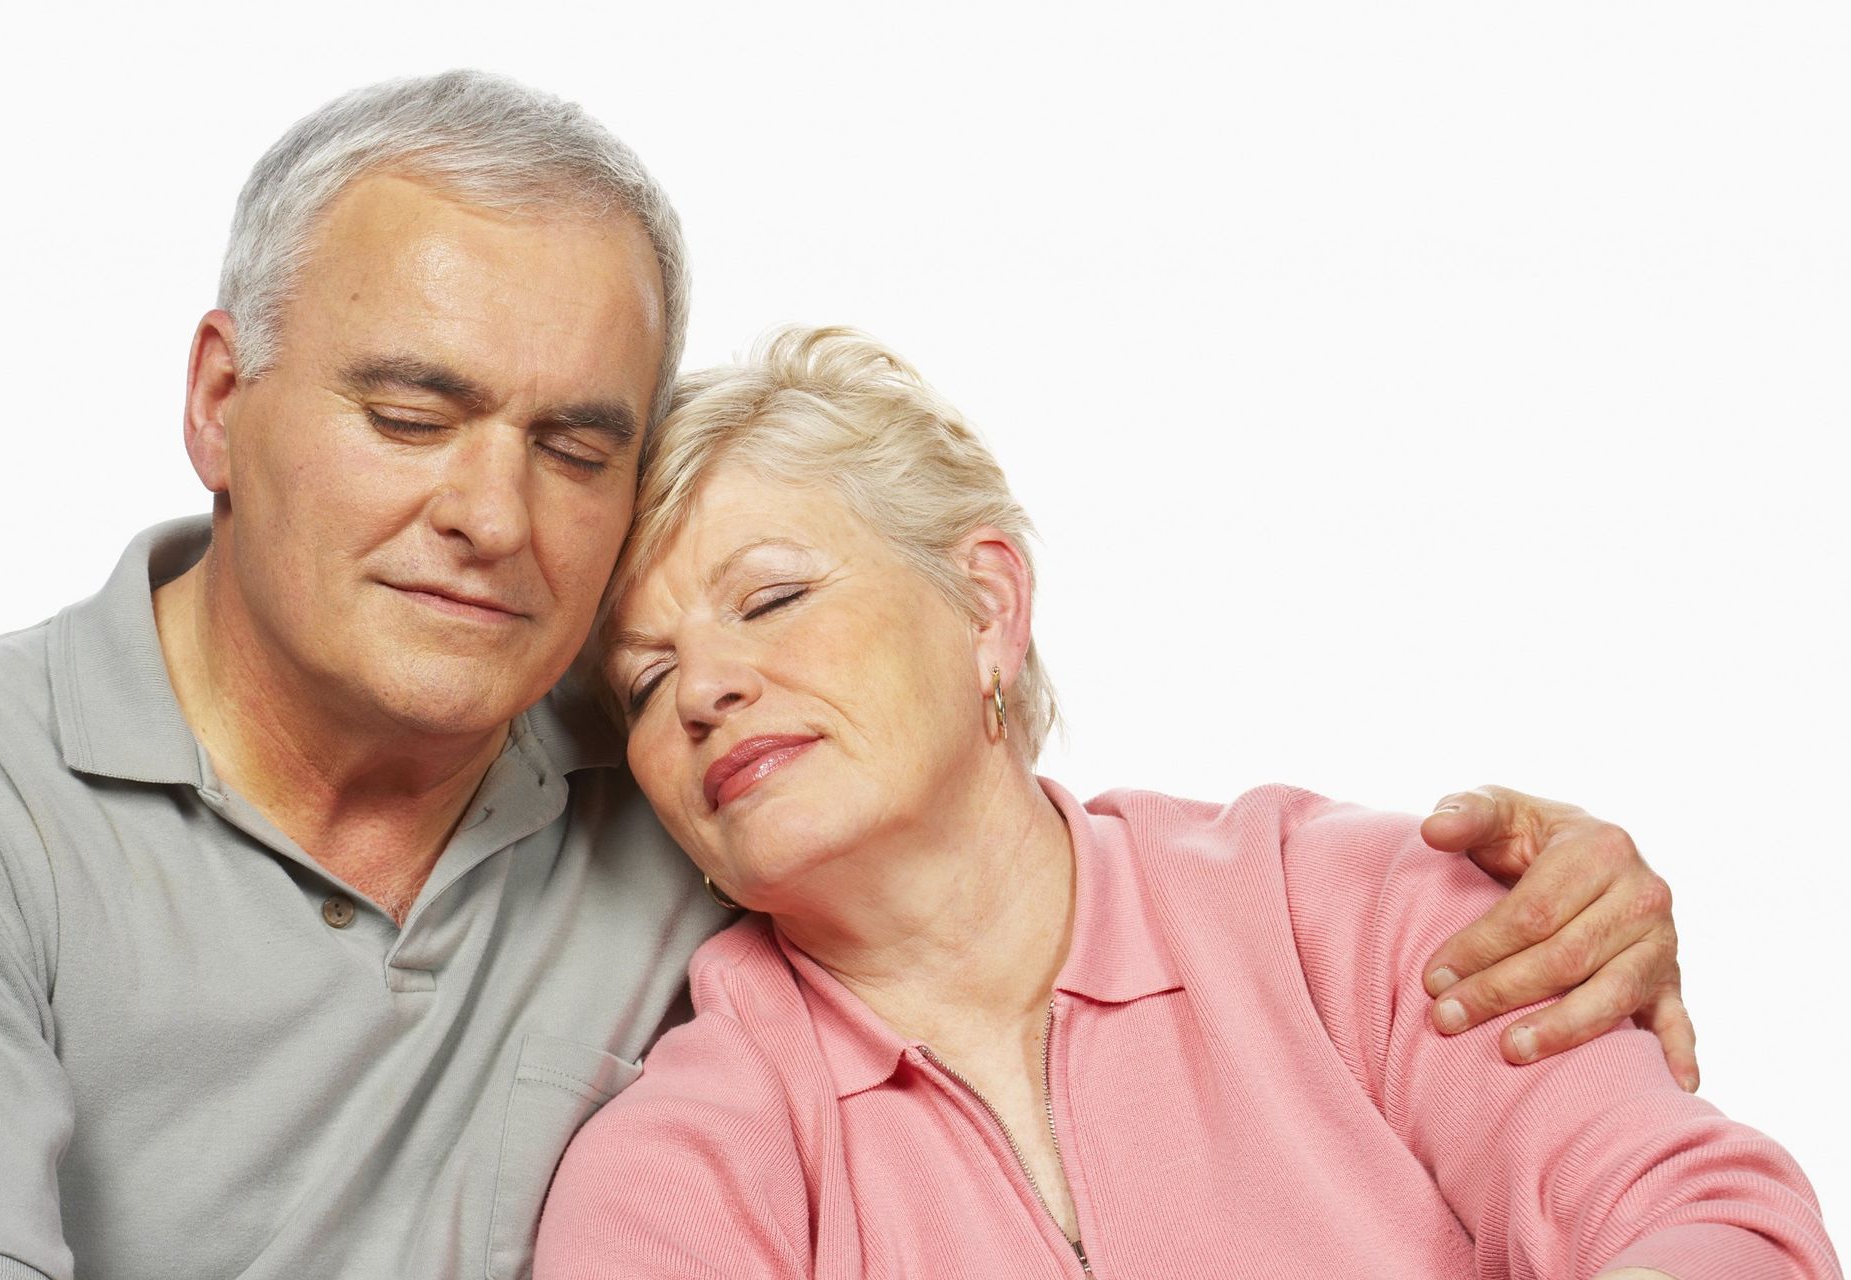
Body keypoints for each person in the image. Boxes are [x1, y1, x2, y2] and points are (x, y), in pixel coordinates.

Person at [0, 72, 1689, 1280]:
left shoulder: (1331, 907)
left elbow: (1665, 1198)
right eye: (409, 414)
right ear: (217, 401)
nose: (486, 514)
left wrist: (1554, 888)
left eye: (574, 448)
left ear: (989, 602)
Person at [536, 326, 1839, 1278]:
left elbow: (1711, 1221)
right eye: (643, 684)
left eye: (771, 598)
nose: (703, 688)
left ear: (988, 606)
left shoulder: (1358, 909)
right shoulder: (671, 1169)